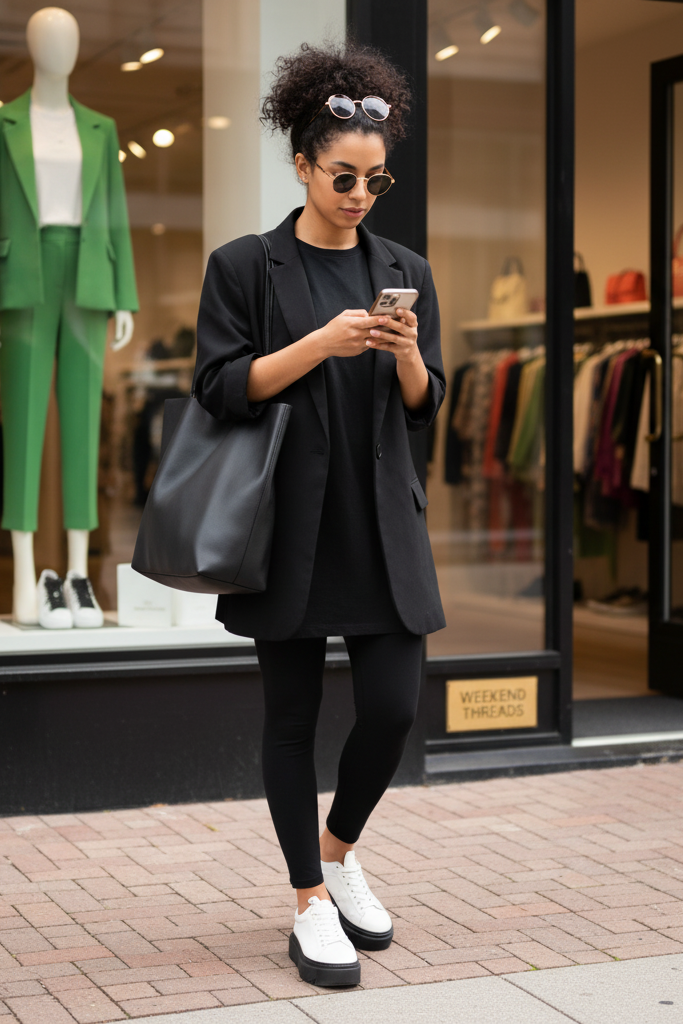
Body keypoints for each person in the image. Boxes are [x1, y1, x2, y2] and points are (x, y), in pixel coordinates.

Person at [193, 41, 445, 988]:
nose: (359, 195)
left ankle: (338, 853)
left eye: (376, 181)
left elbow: (422, 410)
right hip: (287, 527)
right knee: (291, 719)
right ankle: (307, 900)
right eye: (343, 176)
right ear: (301, 163)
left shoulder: (403, 264)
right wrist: (319, 344)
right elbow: (220, 387)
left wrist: (409, 355)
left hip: (380, 523)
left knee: (390, 709)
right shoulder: (246, 266)